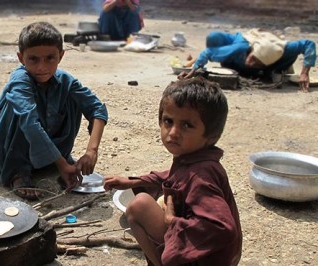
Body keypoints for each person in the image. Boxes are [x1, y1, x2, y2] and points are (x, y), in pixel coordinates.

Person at [104, 77, 242, 266]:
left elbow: (222, 228)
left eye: (187, 125)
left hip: (210, 259)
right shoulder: (195, 159)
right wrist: (133, 181)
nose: (174, 132)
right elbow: (173, 177)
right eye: (168, 121)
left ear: (211, 135)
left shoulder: (202, 175)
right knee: (145, 198)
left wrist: (172, 221)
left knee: (139, 206)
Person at [0, 22, 108, 200]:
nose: (42, 67)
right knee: (22, 112)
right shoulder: (20, 80)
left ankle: (54, 158)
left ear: (61, 56)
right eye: (33, 59)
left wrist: (91, 151)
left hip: (52, 151)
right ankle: (17, 173)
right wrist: (63, 165)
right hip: (7, 152)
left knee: (72, 96)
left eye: (50, 58)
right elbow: (31, 124)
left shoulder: (65, 80)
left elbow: (96, 108)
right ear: (21, 58)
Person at [179, 29, 316, 92]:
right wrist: (193, 72)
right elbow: (209, 52)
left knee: (278, 68)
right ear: (250, 52)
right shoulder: (240, 48)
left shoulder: (283, 50)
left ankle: (272, 71)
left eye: (257, 62)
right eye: (252, 58)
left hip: (273, 55)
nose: (251, 63)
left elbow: (309, 44)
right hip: (239, 48)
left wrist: (305, 72)